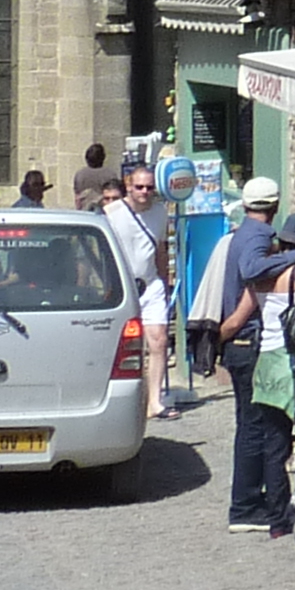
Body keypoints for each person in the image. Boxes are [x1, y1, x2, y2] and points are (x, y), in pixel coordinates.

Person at [222, 198, 295, 535]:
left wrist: (215, 340)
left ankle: (277, 518)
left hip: (266, 364)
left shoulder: (263, 276)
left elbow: (237, 319)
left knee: (274, 443)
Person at [100, 161, 181, 420]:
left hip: (151, 284)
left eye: (149, 188)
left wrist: (165, 282)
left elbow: (160, 249)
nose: (144, 192)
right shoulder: (110, 213)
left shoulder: (160, 212)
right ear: (128, 186)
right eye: (139, 187)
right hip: (121, 285)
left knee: (158, 340)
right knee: (119, 345)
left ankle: (154, 402)